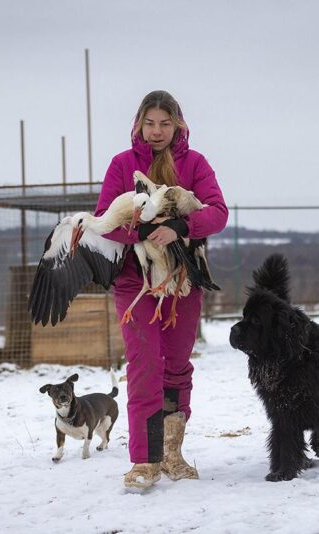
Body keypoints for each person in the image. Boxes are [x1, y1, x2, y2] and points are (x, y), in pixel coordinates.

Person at [94, 90, 228, 488]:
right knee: (144, 366)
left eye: (164, 124)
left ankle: (172, 454)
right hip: (135, 281)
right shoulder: (122, 164)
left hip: (182, 281)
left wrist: (183, 227)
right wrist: (145, 230)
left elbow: (218, 212)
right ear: (139, 125)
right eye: (149, 123)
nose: (156, 132)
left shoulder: (195, 163)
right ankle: (144, 460)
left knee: (176, 365)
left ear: (178, 126)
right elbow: (105, 217)